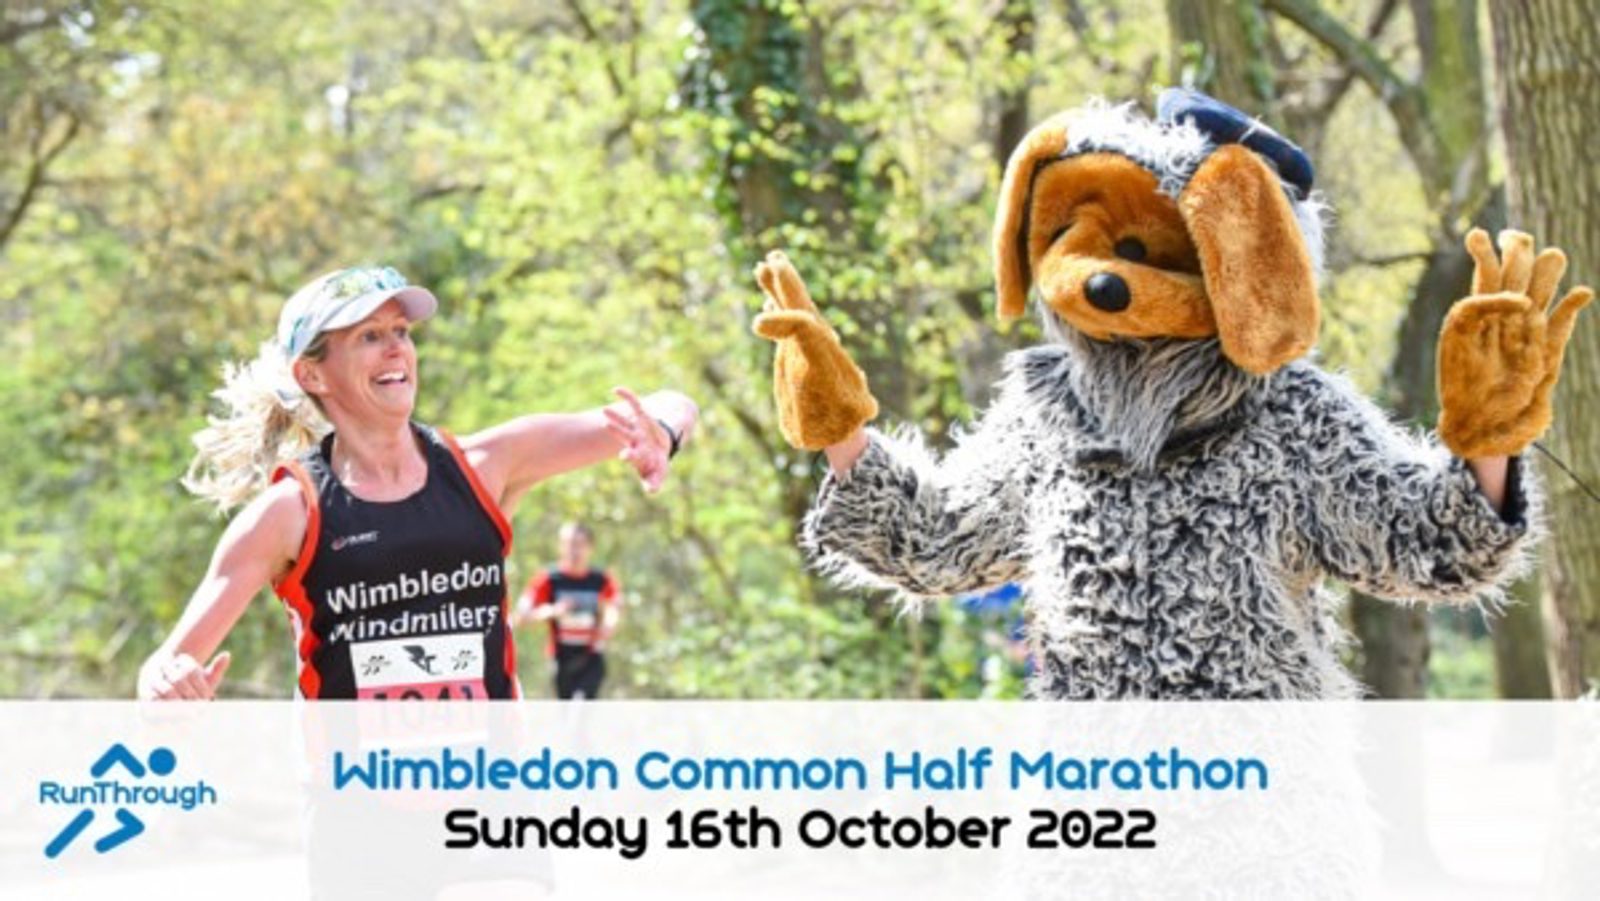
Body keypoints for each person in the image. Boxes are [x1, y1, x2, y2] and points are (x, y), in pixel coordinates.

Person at [136, 265, 697, 700]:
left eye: (401, 331)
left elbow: (672, 402)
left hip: (490, 816)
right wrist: (167, 687)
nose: (397, 348)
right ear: (312, 375)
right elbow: (163, 668)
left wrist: (662, 431)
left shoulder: (485, 467)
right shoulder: (289, 515)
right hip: (359, 820)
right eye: (369, 336)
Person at [513, 522, 619, 699]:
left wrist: (609, 623)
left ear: (590, 547)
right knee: (567, 714)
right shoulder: (549, 579)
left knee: (581, 709)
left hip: (591, 656)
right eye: (568, 544)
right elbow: (521, 617)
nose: (573, 551)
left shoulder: (600, 579)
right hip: (561, 658)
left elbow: (613, 606)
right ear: (560, 547)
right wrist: (553, 611)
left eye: (579, 544)